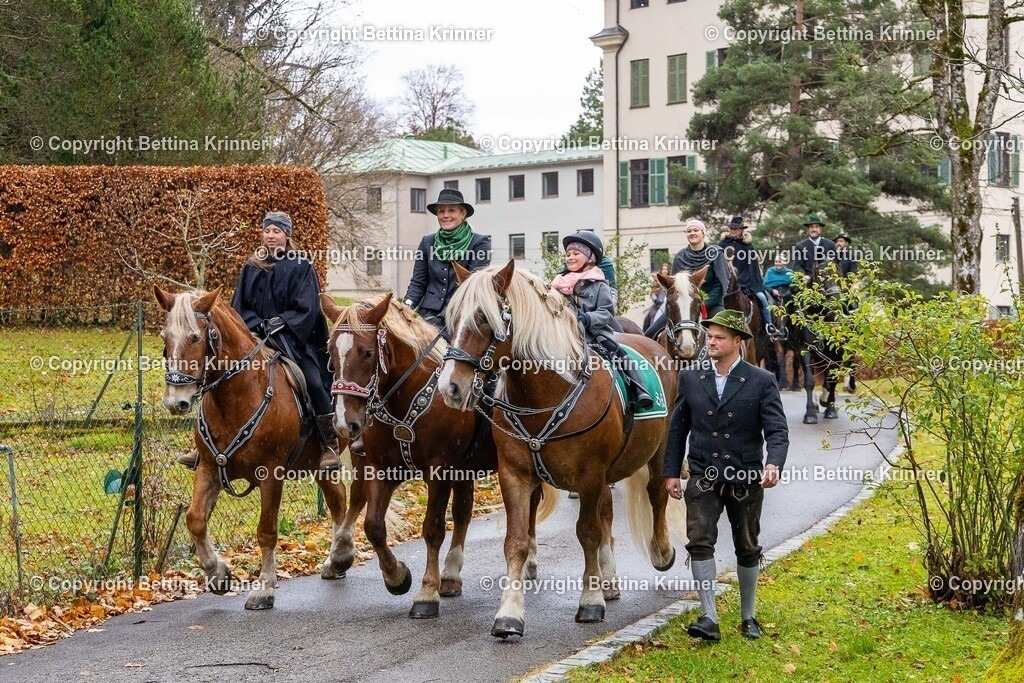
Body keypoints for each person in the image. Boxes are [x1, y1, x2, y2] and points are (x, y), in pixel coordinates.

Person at [177, 211, 340, 471]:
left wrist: (283, 322)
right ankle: (204, 446)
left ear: (287, 235)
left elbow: (308, 309)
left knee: (312, 381)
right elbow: (239, 307)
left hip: (292, 341)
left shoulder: (302, 266)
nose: (271, 236)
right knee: (217, 373)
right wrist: (257, 323)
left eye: (276, 231)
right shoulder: (252, 266)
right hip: (254, 336)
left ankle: (328, 444)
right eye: (267, 231)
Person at [663, 310, 789, 642]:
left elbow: (777, 431)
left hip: (746, 476)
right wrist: (672, 472)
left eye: (719, 337)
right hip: (703, 475)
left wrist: (773, 463)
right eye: (710, 336)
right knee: (699, 541)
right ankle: (709, 617)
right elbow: (677, 430)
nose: (711, 342)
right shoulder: (691, 377)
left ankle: (748, 616)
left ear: (737, 341)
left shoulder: (762, 380)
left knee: (747, 546)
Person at [550, 231, 654, 411]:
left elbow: (606, 312)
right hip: (565, 334)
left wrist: (587, 318)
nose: (570, 257)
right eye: (568, 254)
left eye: (576, 254)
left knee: (617, 351)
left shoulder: (599, 284)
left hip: (595, 334)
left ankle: (639, 388)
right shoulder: (557, 285)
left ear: (590, 258)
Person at [403, 188, 491, 330]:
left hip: (460, 315)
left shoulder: (480, 243)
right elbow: (418, 283)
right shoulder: (427, 242)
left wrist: (446, 315)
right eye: (441, 211)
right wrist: (404, 308)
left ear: (463, 213)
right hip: (427, 314)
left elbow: (471, 289)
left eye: (451, 210)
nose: (445, 215)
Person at [644, 218, 730, 338]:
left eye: (696, 230)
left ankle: (737, 354)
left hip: (711, 304)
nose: (692, 233)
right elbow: (673, 287)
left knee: (728, 330)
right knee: (649, 334)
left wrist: (702, 304)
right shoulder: (680, 257)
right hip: (682, 306)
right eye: (689, 231)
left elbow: (720, 285)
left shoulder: (716, 254)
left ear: (703, 233)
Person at [718, 216, 785, 340]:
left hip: (747, 283)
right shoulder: (722, 245)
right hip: (725, 284)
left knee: (763, 299)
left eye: (735, 228)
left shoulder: (748, 247)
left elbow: (752, 269)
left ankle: (769, 325)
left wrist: (742, 282)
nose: (733, 231)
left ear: (741, 230)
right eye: (731, 228)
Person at [791, 214, 837, 283]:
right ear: (808, 230)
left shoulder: (830, 244)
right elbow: (798, 265)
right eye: (811, 227)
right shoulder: (800, 246)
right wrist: (803, 276)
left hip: (828, 281)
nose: (814, 229)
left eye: (816, 227)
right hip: (808, 281)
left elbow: (835, 263)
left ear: (820, 229)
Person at [644, 263, 671, 330]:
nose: (665, 271)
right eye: (663, 269)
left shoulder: (671, 280)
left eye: (666, 269)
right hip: (658, 304)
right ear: (661, 270)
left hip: (669, 303)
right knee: (647, 316)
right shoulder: (657, 279)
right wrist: (656, 300)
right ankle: (645, 334)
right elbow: (653, 291)